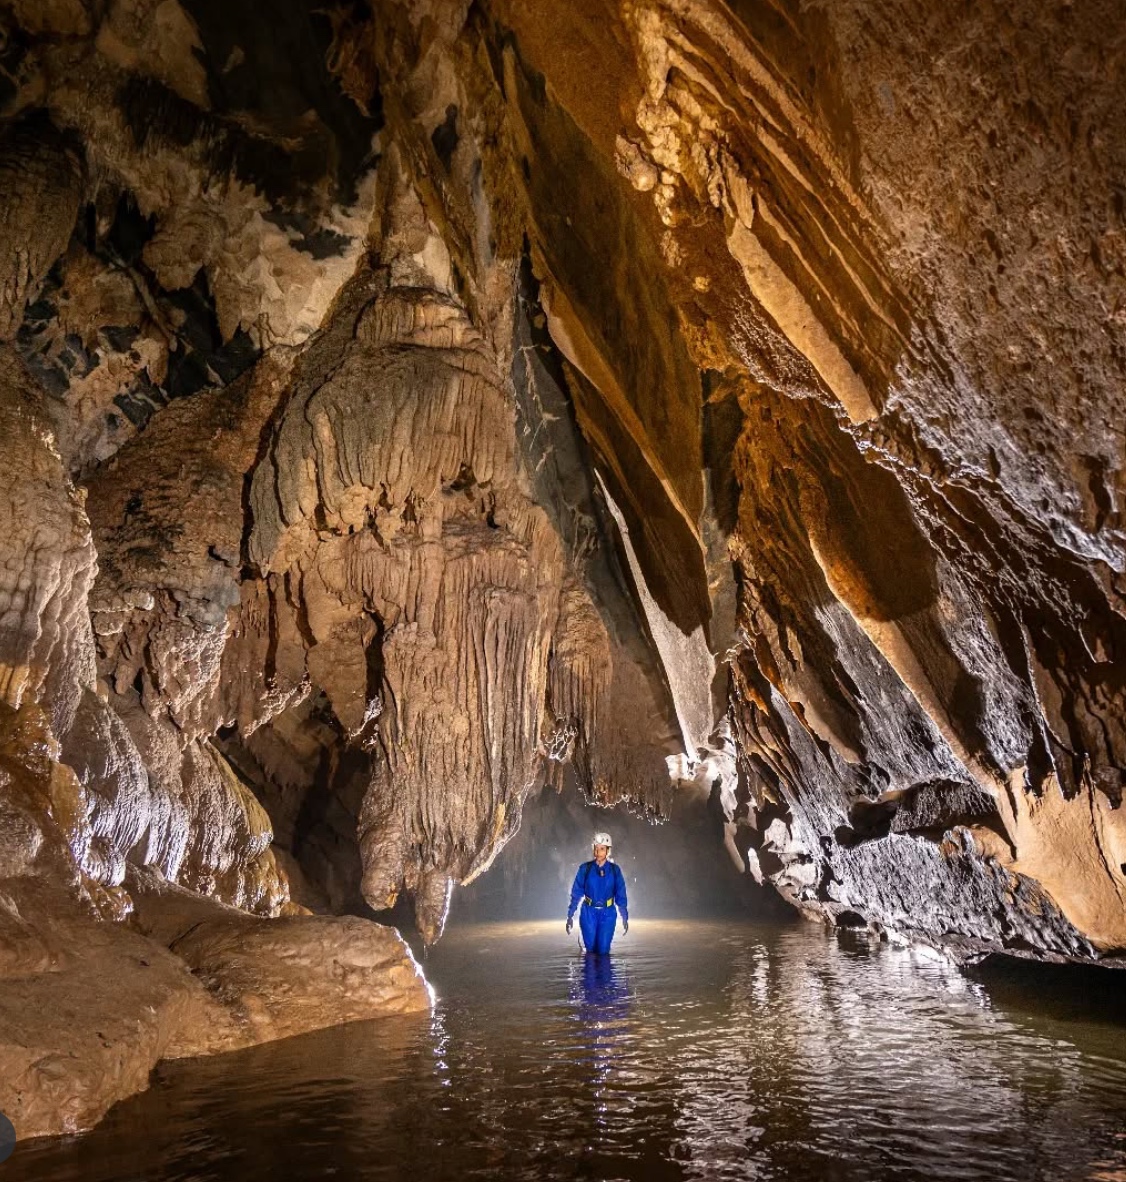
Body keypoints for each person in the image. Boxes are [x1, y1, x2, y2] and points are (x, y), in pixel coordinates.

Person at [566, 831, 628, 954]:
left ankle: (604, 972)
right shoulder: (585, 869)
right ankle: (590, 972)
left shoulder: (615, 871)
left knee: (603, 949)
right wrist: (570, 915)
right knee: (591, 950)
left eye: (602, 849)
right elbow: (576, 893)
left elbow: (620, 895)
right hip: (588, 912)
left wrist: (624, 917)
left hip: (608, 913)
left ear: (607, 851)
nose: (598, 851)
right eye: (596, 848)